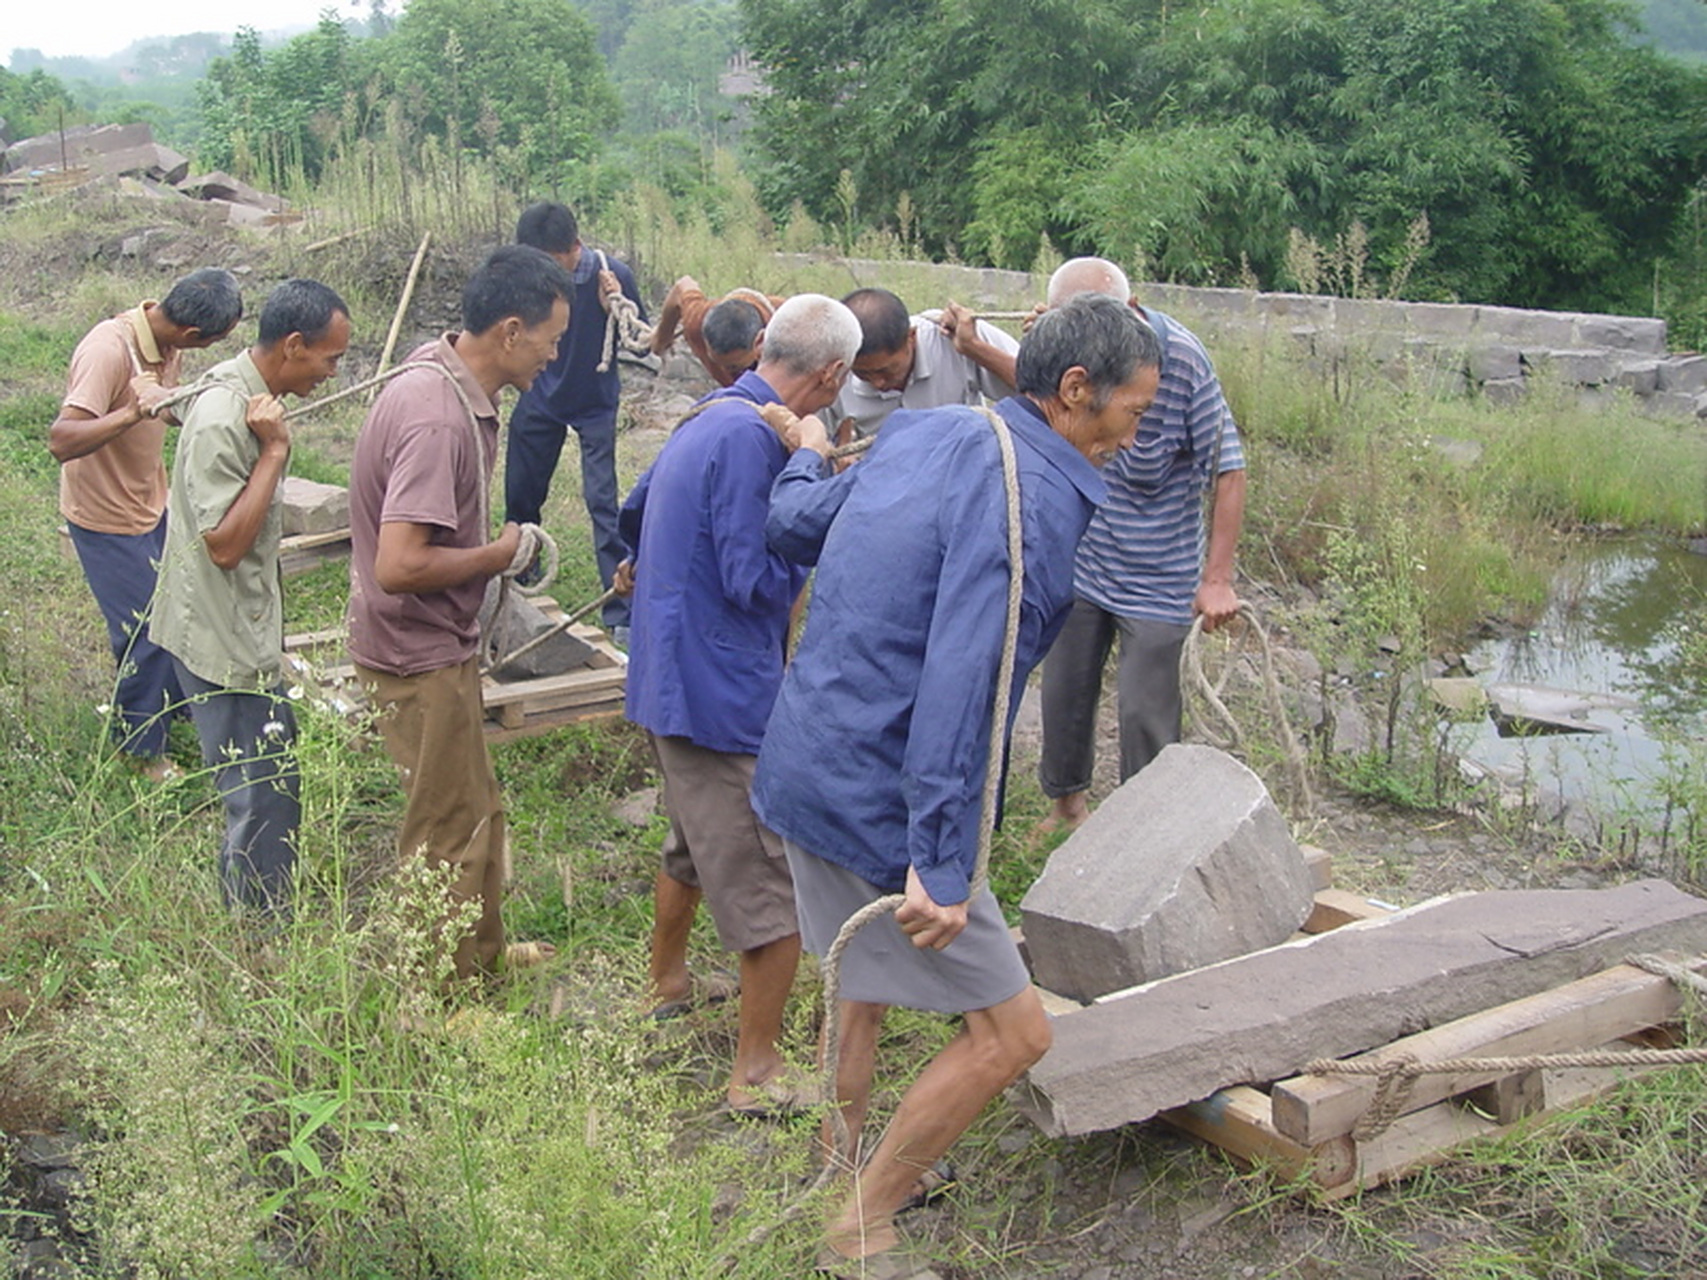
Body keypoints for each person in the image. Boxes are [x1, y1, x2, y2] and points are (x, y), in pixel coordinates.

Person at [750, 295, 1163, 1272]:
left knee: (861, 982)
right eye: (1134, 412)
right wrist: (939, 859)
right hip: (881, 797)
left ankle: (835, 1160)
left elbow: (795, 521)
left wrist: (809, 449)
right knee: (1013, 1032)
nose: (1136, 433)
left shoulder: (928, 428)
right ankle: (863, 1217)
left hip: (808, 758)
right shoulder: (1038, 497)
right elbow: (963, 680)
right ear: (1076, 392)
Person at [620, 293, 861, 1114]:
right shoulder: (760, 438)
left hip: (664, 674)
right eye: (841, 384)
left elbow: (634, 510)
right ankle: (755, 1070)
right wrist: (816, 474)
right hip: (718, 689)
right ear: (828, 375)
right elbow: (753, 578)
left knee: (690, 839)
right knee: (768, 877)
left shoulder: (709, 412)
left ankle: (667, 981)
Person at [347, 245, 571, 981]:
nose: (553, 354)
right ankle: (438, 994)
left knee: (477, 809)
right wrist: (497, 552)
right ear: (510, 332)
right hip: (417, 653)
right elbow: (401, 563)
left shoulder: (438, 369)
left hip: (436, 643)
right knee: (445, 828)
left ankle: (482, 953)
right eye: (551, 339)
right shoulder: (437, 419)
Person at [150, 279, 351, 915]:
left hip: (236, 627)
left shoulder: (246, 394)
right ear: (294, 346)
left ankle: (258, 907)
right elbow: (224, 546)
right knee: (259, 791)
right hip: (220, 637)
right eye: (330, 357)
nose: (333, 371)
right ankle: (259, 933)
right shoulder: (226, 417)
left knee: (271, 781)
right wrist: (276, 452)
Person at [1037, 257, 1248, 830]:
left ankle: (1141, 835)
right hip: (1085, 552)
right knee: (1064, 689)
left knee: (1144, 711)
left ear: (1130, 312)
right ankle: (1066, 808)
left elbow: (1228, 470)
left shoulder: (1182, 360)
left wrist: (1217, 579)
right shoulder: (1068, 350)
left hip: (1159, 569)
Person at [48, 268, 244, 781]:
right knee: (146, 631)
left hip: (148, 504)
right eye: (213, 344)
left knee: (177, 609)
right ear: (192, 334)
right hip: (104, 517)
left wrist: (197, 402)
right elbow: (61, 440)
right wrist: (132, 413)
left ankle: (169, 705)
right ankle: (138, 750)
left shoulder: (163, 343)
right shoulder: (107, 349)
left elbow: (159, 406)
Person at [502, 202, 647, 641]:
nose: (545, 274)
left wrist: (611, 303)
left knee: (602, 502)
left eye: (553, 263)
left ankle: (620, 606)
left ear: (576, 249)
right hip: (539, 393)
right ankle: (522, 572)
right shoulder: (519, 279)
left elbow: (641, 340)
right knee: (522, 495)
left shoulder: (611, 273)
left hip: (594, 401)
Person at [824, 286, 1020, 444]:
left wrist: (974, 347)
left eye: (886, 370)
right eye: (863, 374)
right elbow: (802, 431)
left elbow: (1043, 391)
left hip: (966, 471)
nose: (878, 383)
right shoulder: (835, 366)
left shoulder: (955, 336)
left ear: (911, 337)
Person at [648, 274, 786, 386]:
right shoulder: (697, 321)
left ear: (759, 343)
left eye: (733, 367)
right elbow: (682, 286)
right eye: (715, 361)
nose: (723, 370)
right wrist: (662, 337)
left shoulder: (789, 336)